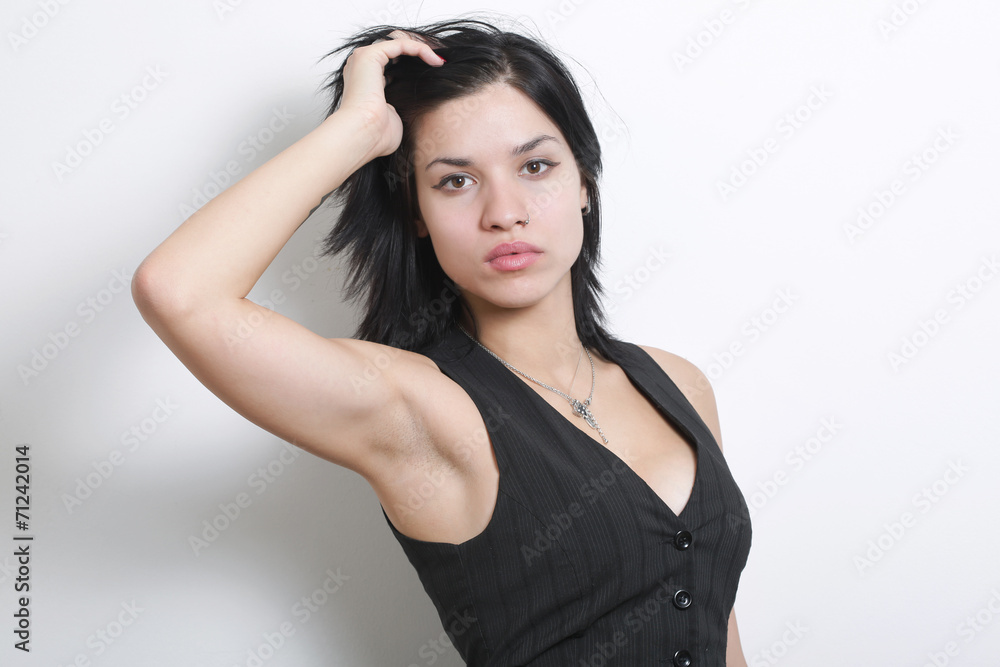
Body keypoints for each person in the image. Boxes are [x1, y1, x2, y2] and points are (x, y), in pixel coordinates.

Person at [131, 15, 752, 666]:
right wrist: (358, 130)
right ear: (417, 215)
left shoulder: (679, 383)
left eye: (535, 166)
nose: (504, 212)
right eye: (456, 180)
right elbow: (180, 292)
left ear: (584, 184)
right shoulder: (418, 407)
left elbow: (721, 627)